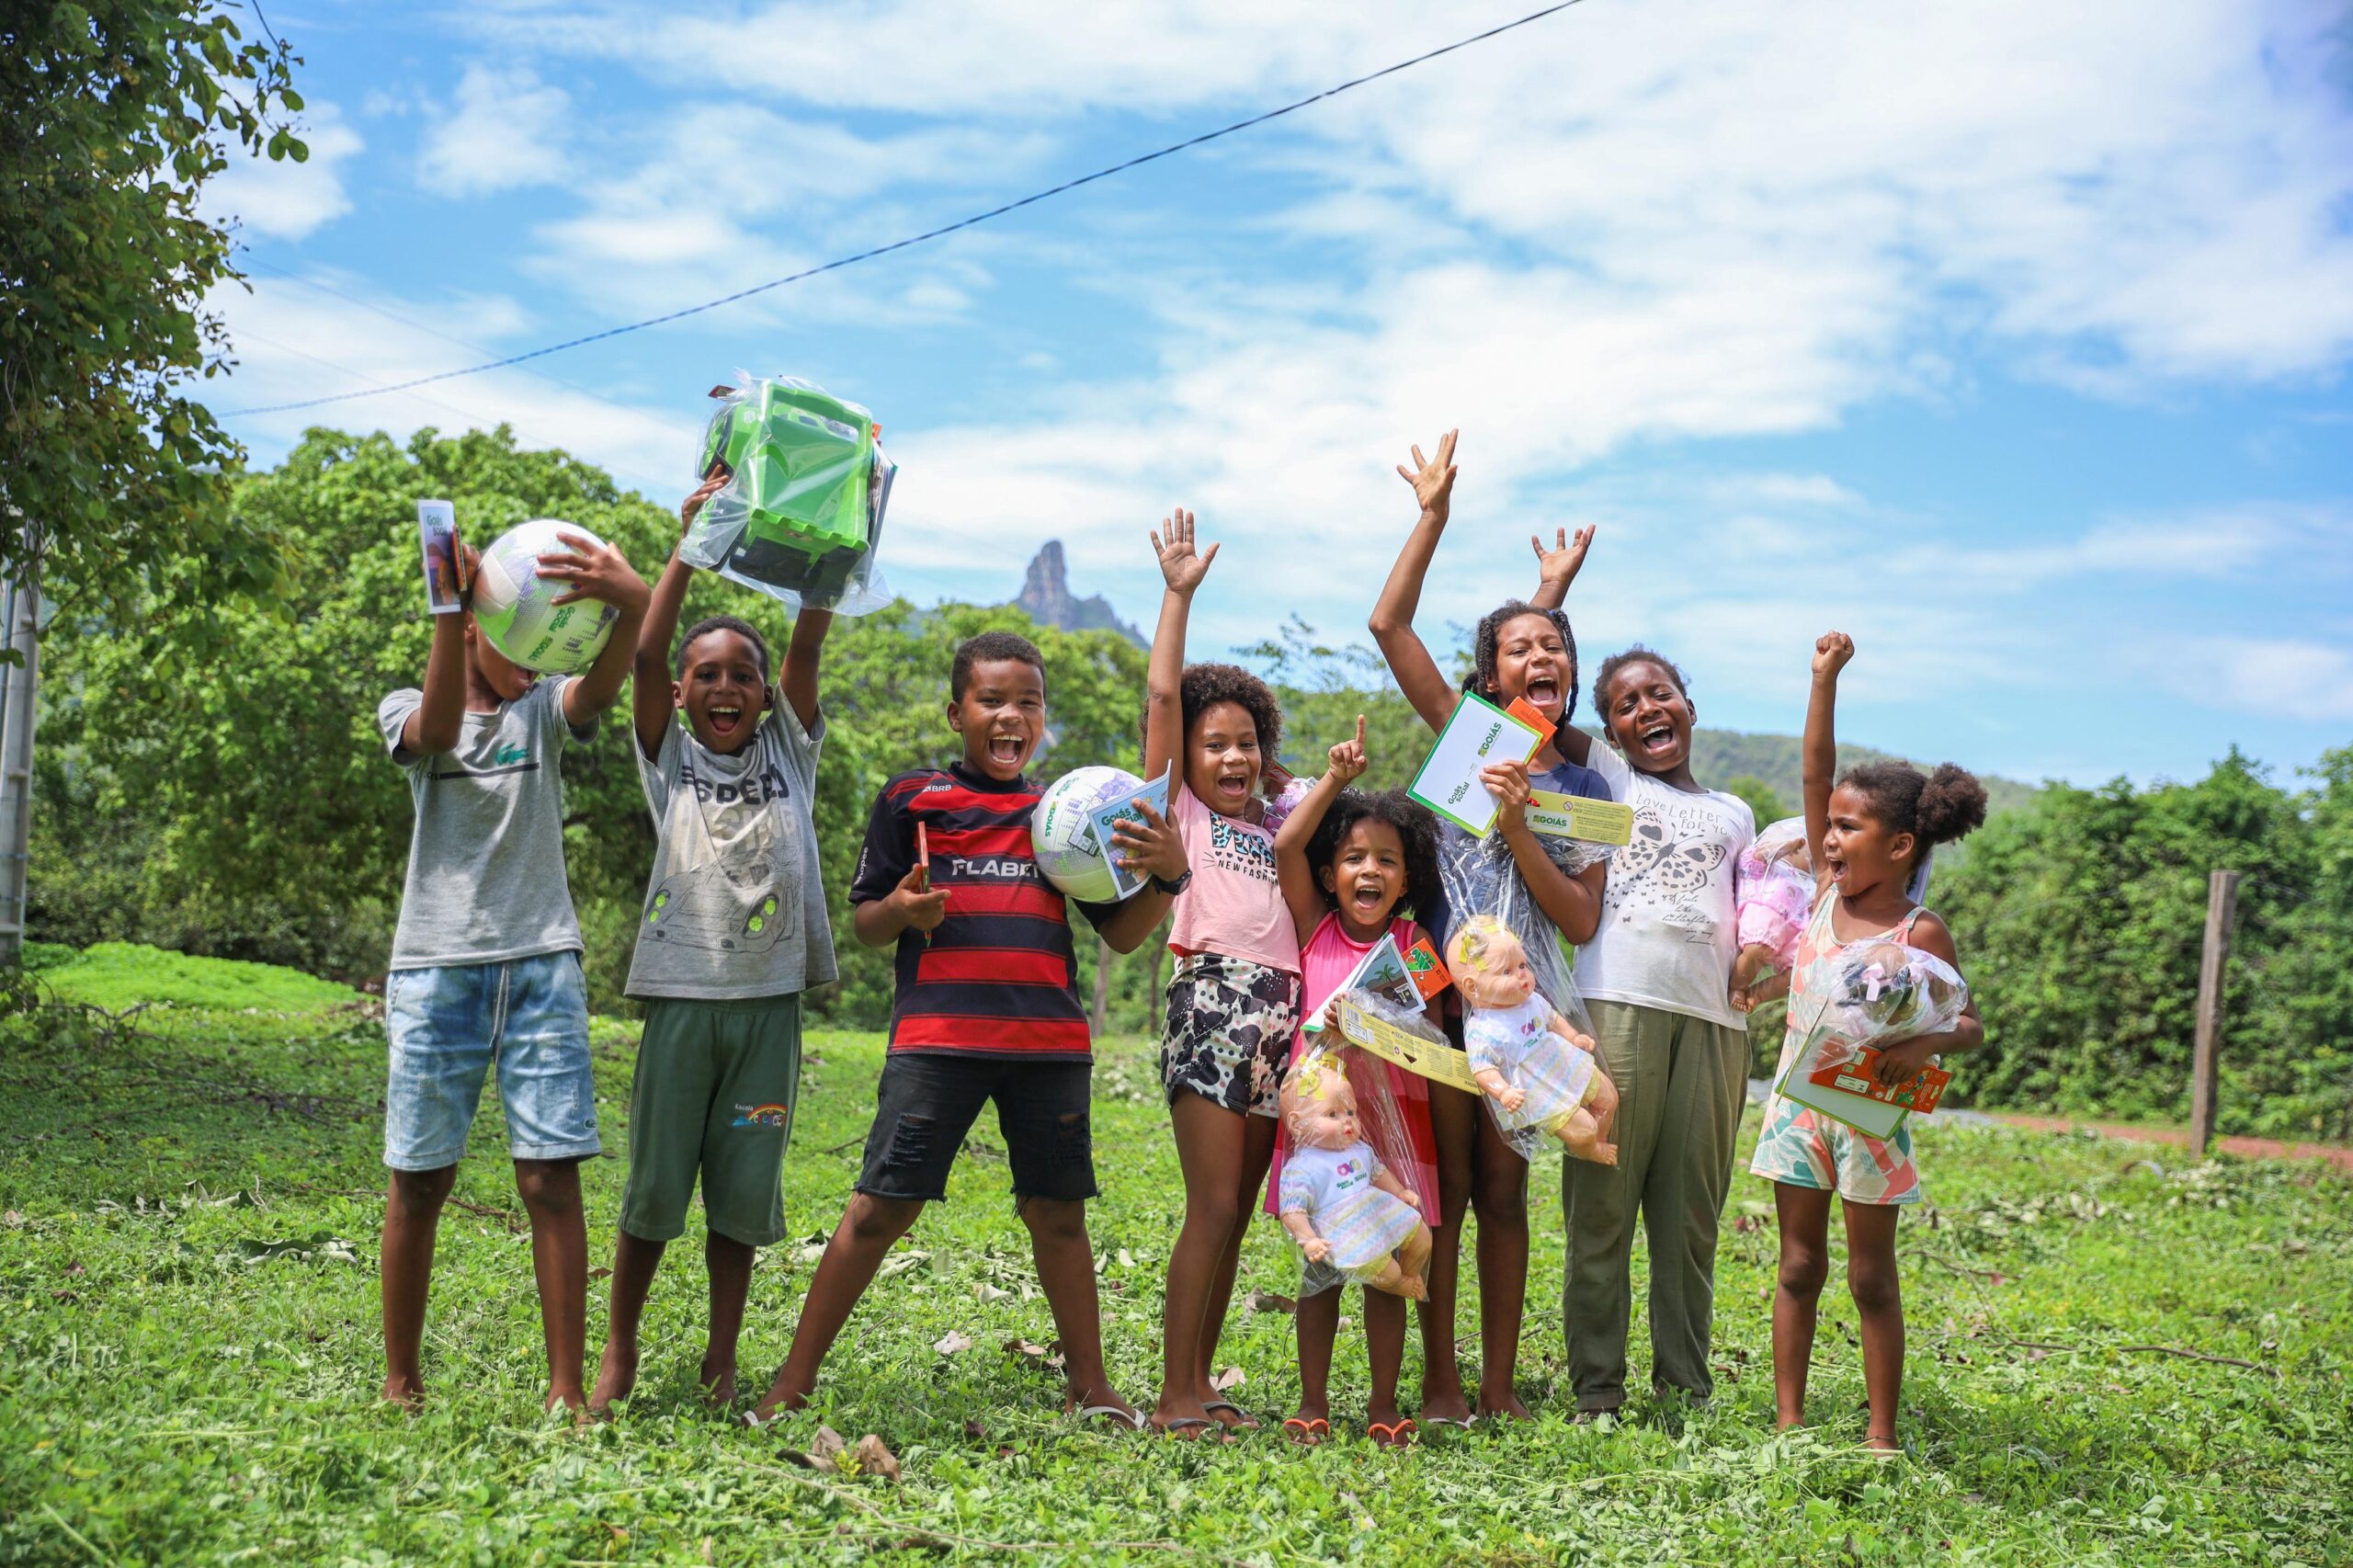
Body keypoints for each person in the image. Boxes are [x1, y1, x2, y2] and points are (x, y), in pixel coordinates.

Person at [748, 630, 1187, 1426]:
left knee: (1057, 1212)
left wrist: (1171, 871)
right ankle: (793, 1381)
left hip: (1047, 1048)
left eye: (1028, 702)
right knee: (880, 1208)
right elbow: (867, 924)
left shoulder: (1066, 815)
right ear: (957, 712)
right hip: (936, 1044)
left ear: (1044, 717)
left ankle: (1090, 1387)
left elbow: (1122, 933)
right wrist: (904, 911)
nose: (1010, 716)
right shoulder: (911, 799)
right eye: (991, 700)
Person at [374, 525, 650, 1413]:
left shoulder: (544, 708)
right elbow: (442, 725)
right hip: (436, 970)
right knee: (420, 1179)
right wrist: (448, 608)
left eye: (551, 649)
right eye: (522, 643)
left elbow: (606, 685)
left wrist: (633, 600)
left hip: (541, 967)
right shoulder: (404, 708)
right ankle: (402, 1379)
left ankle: (567, 1393)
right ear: (469, 631)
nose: (538, 665)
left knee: (549, 1177)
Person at [1368, 431, 1609, 1423]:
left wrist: (1520, 824)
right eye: (1519, 649)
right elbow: (1388, 625)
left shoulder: (1584, 784)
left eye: (1555, 646)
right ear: (1487, 678)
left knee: (1505, 1195)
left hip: (1522, 1012)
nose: (1542, 657)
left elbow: (1580, 914)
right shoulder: (1467, 739)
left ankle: (1500, 1385)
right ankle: (1439, 1379)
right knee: (1447, 1193)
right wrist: (1432, 516)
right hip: (1433, 1001)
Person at [589, 469, 835, 1414]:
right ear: (685, 696)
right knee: (653, 1192)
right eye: (708, 675)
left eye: (743, 673)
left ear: (766, 694)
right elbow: (645, 651)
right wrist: (686, 546)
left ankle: (721, 1356)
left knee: (740, 1195)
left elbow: (810, 634)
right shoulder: (671, 758)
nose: (725, 685)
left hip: (766, 1015)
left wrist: (840, 524)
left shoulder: (789, 755)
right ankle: (619, 1347)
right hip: (684, 1008)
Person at [1513, 548, 1756, 1418]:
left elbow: (1761, 917)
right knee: (1603, 1207)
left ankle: (1685, 1389)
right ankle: (1598, 1393)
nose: (1645, 708)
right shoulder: (1609, 780)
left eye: (1660, 694)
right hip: (1616, 1008)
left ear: (1689, 706)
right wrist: (1551, 601)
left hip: (1719, 1027)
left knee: (1690, 1222)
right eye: (1625, 704)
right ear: (1608, 731)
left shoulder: (1737, 814)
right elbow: (1523, 701)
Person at [1749, 631, 1986, 1449]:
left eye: (1851, 829)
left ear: (1900, 846)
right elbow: (1817, 772)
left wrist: (1922, 1048)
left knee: (1869, 1278)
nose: (1831, 839)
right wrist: (1822, 679)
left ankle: (1881, 1435)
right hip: (1797, 1111)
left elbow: (1970, 1025)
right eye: (1831, 827)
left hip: (1873, 1116)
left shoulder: (1922, 930)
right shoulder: (1821, 895)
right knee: (1796, 1267)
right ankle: (1789, 1423)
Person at [1142, 508, 1302, 1440]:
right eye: (1215, 744)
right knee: (1207, 1204)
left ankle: (1200, 1379)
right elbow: (1165, 700)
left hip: (1281, 1013)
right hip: (1214, 1000)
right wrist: (1177, 594)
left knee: (1238, 1210)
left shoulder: (1271, 821)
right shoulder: (1184, 813)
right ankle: (1171, 1393)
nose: (1232, 755)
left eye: (1245, 740)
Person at [1267, 720, 1447, 1447]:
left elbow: (1433, 1037)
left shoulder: (1416, 946)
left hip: (1393, 1138)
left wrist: (1373, 1026)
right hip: (1317, 1139)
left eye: (1386, 860)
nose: (1368, 871)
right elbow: (1283, 846)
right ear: (1329, 874)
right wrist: (1335, 779)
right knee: (1319, 1271)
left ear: (1408, 877)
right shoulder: (1314, 929)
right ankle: (1313, 1401)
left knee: (1382, 1270)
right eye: (1352, 858)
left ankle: (1382, 1403)